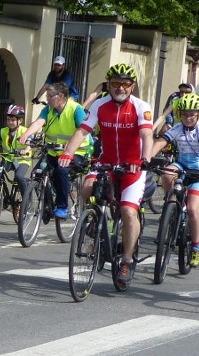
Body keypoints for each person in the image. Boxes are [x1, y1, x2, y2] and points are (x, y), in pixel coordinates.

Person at [58, 63, 154, 287]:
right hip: (107, 162)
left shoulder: (141, 107)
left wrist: (145, 160)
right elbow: (83, 131)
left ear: (132, 86)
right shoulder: (100, 105)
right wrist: (67, 154)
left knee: (128, 211)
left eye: (125, 84)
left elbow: (147, 134)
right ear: (108, 85)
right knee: (87, 188)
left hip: (133, 166)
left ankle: (127, 261)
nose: (120, 88)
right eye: (115, 84)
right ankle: (91, 222)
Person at [151, 94, 199, 267]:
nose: (188, 118)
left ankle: (195, 247)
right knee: (167, 173)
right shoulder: (177, 128)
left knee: (193, 210)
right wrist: (147, 157)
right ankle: (170, 202)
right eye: (185, 114)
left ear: (198, 115)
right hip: (181, 166)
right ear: (180, 114)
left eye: (192, 115)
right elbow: (161, 141)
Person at [18, 82, 89, 219]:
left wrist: (70, 146)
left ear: (60, 96)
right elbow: (39, 122)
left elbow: (83, 130)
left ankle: (62, 206)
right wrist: (26, 134)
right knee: (37, 173)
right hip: (54, 151)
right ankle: (47, 204)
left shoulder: (75, 109)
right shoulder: (49, 109)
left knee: (61, 171)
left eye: (50, 96)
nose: (47, 99)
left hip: (76, 152)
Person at [0, 105, 32, 193]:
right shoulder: (3, 131)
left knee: (19, 177)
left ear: (20, 121)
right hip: (8, 159)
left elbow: (30, 143)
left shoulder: (25, 131)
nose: (10, 122)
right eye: (8, 120)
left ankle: (25, 200)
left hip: (22, 160)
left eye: (13, 120)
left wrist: (26, 150)